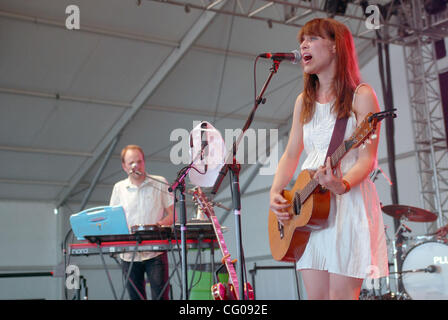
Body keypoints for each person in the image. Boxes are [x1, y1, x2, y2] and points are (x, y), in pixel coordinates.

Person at [269, 18, 388, 300]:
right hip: (309, 209)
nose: (303, 45)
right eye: (302, 40)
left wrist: (342, 184)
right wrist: (275, 191)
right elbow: (291, 153)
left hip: (347, 204)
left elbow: (366, 158)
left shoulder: (361, 95)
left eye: (312, 39)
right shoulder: (303, 101)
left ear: (335, 46)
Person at [110, 144, 175, 300]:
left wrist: (157, 226)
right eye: (131, 162)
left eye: (139, 161)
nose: (135, 165)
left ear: (144, 162)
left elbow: (173, 215)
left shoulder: (159, 182)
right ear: (124, 166)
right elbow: (112, 219)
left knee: (161, 297)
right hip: (128, 254)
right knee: (135, 298)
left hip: (156, 251)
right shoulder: (119, 188)